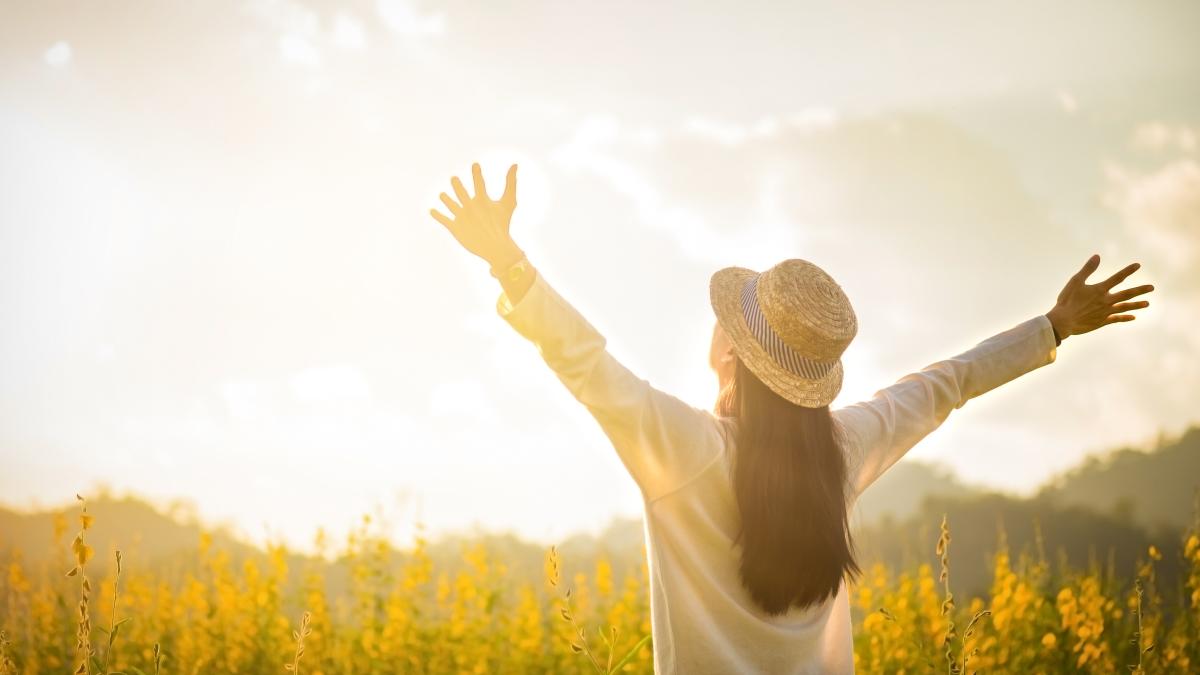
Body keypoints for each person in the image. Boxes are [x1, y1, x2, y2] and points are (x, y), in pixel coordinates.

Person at [428, 162, 1155, 674]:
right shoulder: (844, 448)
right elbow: (948, 383)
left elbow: (585, 362)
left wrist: (510, 263)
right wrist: (1053, 326)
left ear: (731, 355)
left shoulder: (685, 449)